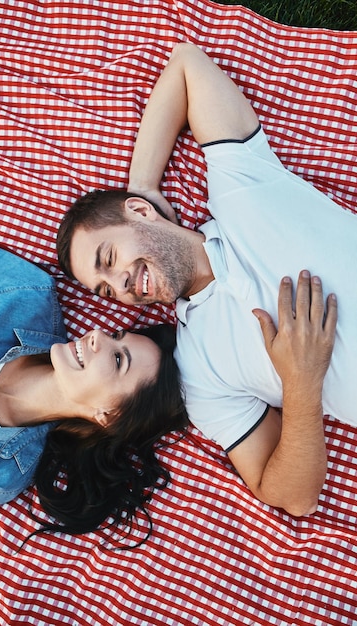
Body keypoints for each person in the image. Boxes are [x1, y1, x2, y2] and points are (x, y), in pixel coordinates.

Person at [56, 43, 357, 518]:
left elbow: (186, 64)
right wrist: (301, 384)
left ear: (139, 215)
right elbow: (292, 496)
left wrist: (144, 186)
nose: (122, 284)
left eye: (109, 257)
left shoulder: (239, 187)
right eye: (106, 290)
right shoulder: (200, 372)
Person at [0, 223, 188, 539]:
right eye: (115, 336)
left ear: (107, 416)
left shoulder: (1, 473)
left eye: (117, 359)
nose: (97, 336)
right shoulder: (26, 297)